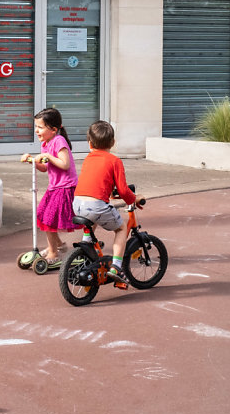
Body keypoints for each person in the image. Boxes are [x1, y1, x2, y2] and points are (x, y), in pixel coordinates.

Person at [72, 120, 140, 283]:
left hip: (77, 204)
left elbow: (97, 182)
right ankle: (116, 266)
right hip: (96, 206)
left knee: (92, 218)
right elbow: (123, 190)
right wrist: (135, 199)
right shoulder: (114, 161)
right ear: (113, 143)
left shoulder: (88, 158)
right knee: (122, 228)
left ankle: (86, 243)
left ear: (89, 143)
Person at [21, 108, 78, 263]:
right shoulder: (46, 144)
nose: (36, 131)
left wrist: (46, 156)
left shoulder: (59, 141)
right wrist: (32, 162)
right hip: (55, 187)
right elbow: (45, 168)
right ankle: (59, 245)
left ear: (53, 129)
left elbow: (65, 164)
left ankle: (53, 252)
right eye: (36, 127)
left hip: (66, 187)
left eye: (40, 127)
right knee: (42, 216)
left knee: (50, 219)